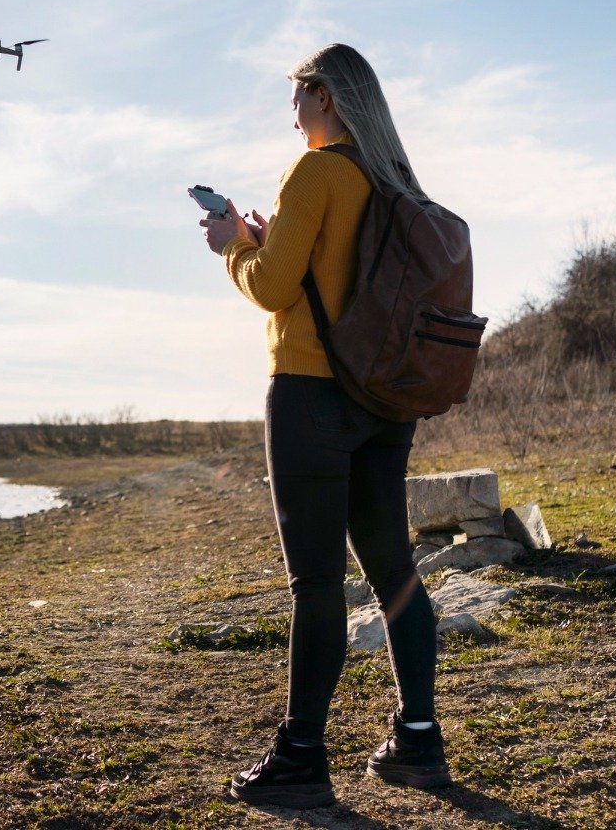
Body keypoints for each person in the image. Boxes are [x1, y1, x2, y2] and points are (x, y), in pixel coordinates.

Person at [200, 44, 451, 809]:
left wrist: (233, 248)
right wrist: (276, 238)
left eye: (301, 92)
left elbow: (277, 287)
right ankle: (418, 740)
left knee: (316, 581)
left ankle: (302, 758)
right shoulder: (390, 179)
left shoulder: (314, 171)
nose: (294, 106)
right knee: (393, 567)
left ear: (329, 98)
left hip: (311, 392)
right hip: (383, 396)